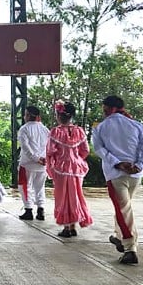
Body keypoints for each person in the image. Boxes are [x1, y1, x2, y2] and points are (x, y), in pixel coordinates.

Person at [93, 96, 143, 266]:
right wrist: (139, 165)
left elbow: (99, 149)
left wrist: (117, 163)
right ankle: (118, 235)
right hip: (135, 174)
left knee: (122, 209)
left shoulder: (100, 127)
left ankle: (129, 248)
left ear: (108, 108)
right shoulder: (136, 125)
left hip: (115, 174)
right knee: (124, 208)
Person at [46, 101, 92, 238]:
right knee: (75, 195)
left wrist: (53, 162)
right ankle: (73, 226)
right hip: (77, 167)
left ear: (59, 116)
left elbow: (50, 150)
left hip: (61, 167)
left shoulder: (56, 131)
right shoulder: (79, 131)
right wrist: (77, 158)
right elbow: (85, 150)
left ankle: (67, 227)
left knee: (63, 196)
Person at [17, 105, 50, 221]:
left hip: (28, 163)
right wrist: (44, 159)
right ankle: (40, 210)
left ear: (28, 115)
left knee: (25, 186)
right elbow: (49, 146)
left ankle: (28, 210)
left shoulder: (24, 129)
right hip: (43, 164)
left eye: (25, 114)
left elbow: (25, 147)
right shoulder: (45, 129)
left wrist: (36, 158)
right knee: (40, 187)